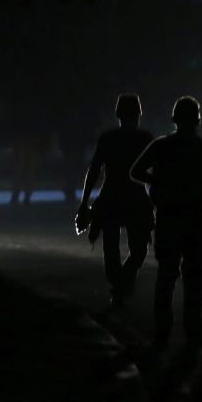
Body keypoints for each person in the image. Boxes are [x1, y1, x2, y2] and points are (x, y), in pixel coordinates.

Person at [130, 96, 202, 346]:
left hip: (167, 215)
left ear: (174, 119)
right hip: (195, 215)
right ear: (197, 119)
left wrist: (158, 183)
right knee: (194, 273)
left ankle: (163, 327)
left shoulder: (161, 146)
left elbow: (136, 172)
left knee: (166, 274)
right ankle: (192, 324)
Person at [75, 93, 154, 307]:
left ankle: (119, 283)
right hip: (135, 198)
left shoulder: (109, 139)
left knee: (111, 248)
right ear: (139, 114)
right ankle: (123, 281)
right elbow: (157, 172)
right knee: (138, 250)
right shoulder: (145, 138)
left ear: (118, 114)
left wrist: (84, 203)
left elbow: (94, 171)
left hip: (111, 197)